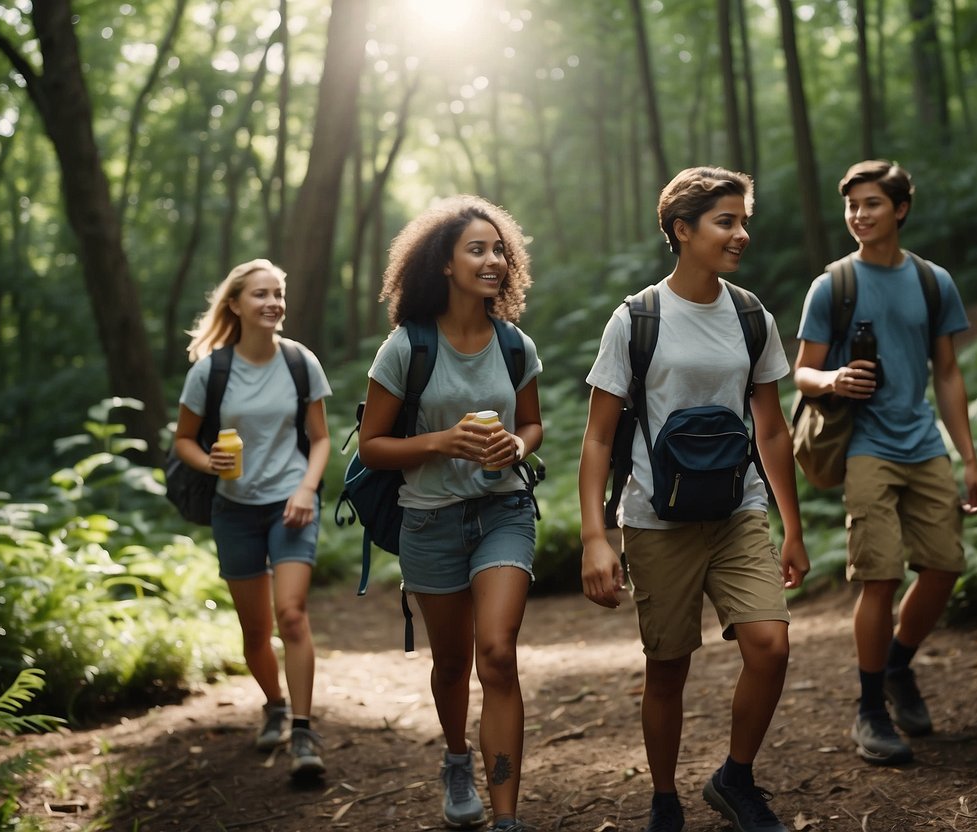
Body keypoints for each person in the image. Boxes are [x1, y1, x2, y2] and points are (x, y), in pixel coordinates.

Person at [579, 166, 809, 832]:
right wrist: (596, 535)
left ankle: (734, 778)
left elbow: (769, 427)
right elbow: (597, 439)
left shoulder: (749, 314)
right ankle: (662, 798)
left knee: (768, 645)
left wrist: (791, 526)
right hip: (656, 517)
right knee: (668, 668)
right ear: (682, 230)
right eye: (724, 221)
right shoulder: (636, 320)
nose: (740, 234)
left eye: (743, 221)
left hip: (737, 509)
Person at [793, 160, 977, 766]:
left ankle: (898, 664)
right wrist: (833, 379)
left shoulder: (933, 282)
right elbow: (800, 370)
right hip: (865, 447)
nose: (859, 215)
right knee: (879, 576)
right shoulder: (833, 285)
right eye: (852, 205)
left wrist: (969, 457)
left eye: (872, 204)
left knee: (943, 566)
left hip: (924, 442)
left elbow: (948, 373)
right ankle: (871, 709)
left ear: (899, 210)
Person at [358, 196, 543, 832]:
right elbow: (373, 447)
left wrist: (516, 444)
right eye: (477, 250)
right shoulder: (407, 347)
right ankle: (457, 757)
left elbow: (534, 423)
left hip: (503, 510)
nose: (493, 260)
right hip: (429, 519)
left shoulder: (515, 345)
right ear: (444, 263)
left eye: (499, 250)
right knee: (451, 663)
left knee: (497, 653)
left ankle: (506, 818)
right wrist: (441, 440)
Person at [173, 259, 332, 779]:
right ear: (236, 304)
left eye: (278, 293)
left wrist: (307, 489)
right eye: (260, 294)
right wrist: (207, 461)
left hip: (290, 504)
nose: (272, 303)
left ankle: (304, 734)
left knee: (291, 614)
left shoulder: (300, 362)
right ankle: (274, 704)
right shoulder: (210, 371)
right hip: (234, 510)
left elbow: (322, 438)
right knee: (255, 629)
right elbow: (183, 440)